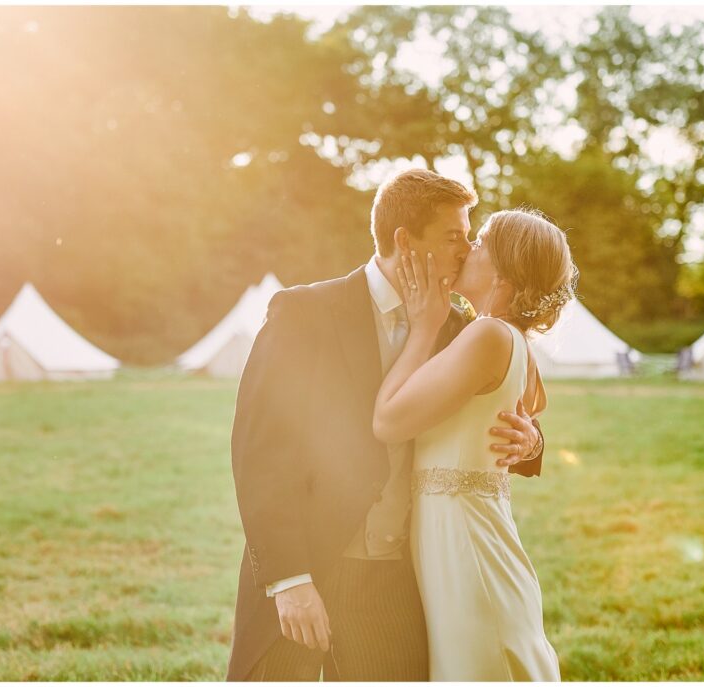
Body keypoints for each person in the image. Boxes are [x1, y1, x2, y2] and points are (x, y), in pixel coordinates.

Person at [227, 170, 547, 681]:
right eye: (453, 236)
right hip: (309, 568)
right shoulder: (305, 311)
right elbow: (258, 453)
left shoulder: (463, 330)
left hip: (397, 581)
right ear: (404, 240)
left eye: (468, 237)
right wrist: (289, 581)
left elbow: (499, 408)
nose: (466, 249)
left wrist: (531, 441)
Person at [373, 208, 577, 681]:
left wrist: (424, 327)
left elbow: (388, 421)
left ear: (504, 269)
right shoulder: (505, 337)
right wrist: (529, 443)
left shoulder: (488, 334)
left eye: (480, 241)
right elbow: (525, 415)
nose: (467, 249)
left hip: (468, 543)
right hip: (458, 535)